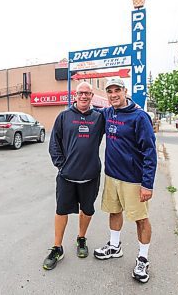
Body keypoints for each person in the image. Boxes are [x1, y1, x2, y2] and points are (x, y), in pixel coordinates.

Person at [93, 78, 157, 283]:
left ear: (125, 91)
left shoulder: (140, 117)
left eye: (117, 90)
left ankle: (143, 258)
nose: (113, 94)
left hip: (133, 179)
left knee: (141, 219)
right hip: (112, 175)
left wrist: (147, 183)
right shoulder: (108, 113)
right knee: (114, 211)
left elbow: (149, 152)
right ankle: (114, 246)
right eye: (109, 91)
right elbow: (90, 114)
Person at [43, 81, 105, 270]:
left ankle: (81, 239)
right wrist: (62, 166)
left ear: (92, 96)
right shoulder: (64, 116)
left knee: (87, 210)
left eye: (88, 93)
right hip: (66, 177)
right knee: (61, 211)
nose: (84, 96)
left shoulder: (99, 117)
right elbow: (54, 144)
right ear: (75, 95)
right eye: (81, 93)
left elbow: (119, 122)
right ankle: (57, 247)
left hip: (90, 176)